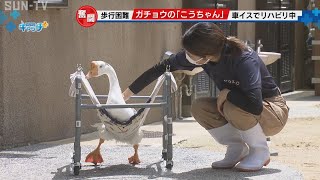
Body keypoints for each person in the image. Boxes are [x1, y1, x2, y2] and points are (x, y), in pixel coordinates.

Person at [122, 22, 289, 172]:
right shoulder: (202, 57)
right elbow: (159, 68)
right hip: (240, 108)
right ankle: (237, 148)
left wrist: (228, 94)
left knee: (232, 106)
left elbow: (255, 105)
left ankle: (259, 151)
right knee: (200, 107)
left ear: (206, 55)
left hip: (273, 113)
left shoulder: (243, 58)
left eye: (189, 52)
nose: (185, 55)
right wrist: (126, 94)